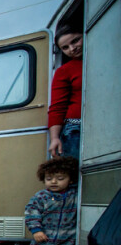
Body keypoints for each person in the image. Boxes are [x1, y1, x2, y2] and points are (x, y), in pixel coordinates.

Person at [24, 157, 78, 245]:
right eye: (49, 179)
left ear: (70, 180)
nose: (54, 182)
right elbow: (31, 213)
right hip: (43, 237)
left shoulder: (75, 195)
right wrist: (36, 230)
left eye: (60, 178)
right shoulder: (41, 196)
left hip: (65, 239)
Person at [48, 25, 83, 160]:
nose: (72, 49)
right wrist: (55, 138)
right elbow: (57, 107)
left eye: (75, 41)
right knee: (74, 175)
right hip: (76, 129)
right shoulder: (64, 71)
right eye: (65, 47)